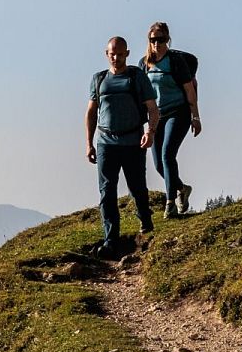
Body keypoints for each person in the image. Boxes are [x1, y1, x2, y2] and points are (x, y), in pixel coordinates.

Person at [85, 36, 160, 258]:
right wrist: (89, 144)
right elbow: (91, 112)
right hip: (105, 143)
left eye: (120, 54)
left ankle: (145, 222)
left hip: (133, 141)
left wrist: (151, 133)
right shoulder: (99, 79)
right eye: (112, 54)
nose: (116, 58)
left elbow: (153, 109)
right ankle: (110, 240)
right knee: (106, 192)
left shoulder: (137, 77)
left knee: (137, 188)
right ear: (106, 54)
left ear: (127, 54)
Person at [143, 21, 201, 215]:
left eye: (161, 39)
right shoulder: (144, 64)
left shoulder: (175, 61)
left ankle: (170, 203)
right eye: (153, 40)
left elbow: (189, 89)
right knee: (159, 164)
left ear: (167, 39)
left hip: (179, 112)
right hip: (157, 116)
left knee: (168, 154)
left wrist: (195, 116)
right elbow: (142, 96)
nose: (157, 43)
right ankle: (182, 189)